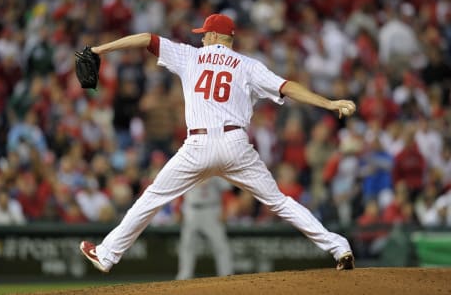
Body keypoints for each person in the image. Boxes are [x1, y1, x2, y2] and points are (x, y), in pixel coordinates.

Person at [80, 14, 356, 273]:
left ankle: (107, 255)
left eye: (203, 34)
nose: (201, 39)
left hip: (197, 145)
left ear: (213, 35)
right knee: (280, 203)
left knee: (152, 198)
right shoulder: (249, 65)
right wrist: (329, 103)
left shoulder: (191, 55)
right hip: (236, 145)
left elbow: (146, 38)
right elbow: (288, 87)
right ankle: (338, 247)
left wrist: (98, 49)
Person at [176, 177, 233, 280]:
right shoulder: (189, 168)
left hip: (211, 209)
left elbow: (226, 192)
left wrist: (225, 210)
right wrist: (178, 209)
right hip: (191, 209)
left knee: (220, 245)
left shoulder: (215, 168)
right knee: (187, 245)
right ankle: (184, 275)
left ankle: (226, 275)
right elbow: (181, 190)